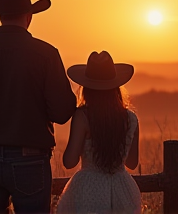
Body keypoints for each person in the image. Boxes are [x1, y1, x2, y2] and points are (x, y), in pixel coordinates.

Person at [0, 0, 76, 214]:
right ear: (29, 16)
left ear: (0, 16)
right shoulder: (46, 54)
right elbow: (62, 113)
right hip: (30, 160)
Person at [56, 51, 142, 214]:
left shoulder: (83, 116)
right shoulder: (131, 118)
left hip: (89, 188)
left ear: (86, 87)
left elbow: (69, 162)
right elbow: (132, 163)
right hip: (122, 188)